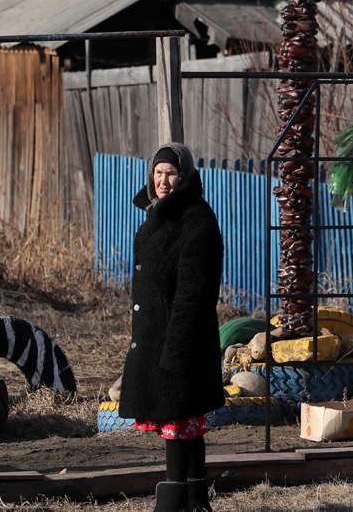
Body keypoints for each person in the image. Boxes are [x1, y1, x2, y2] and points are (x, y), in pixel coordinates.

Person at [120, 142, 225, 512]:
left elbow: (195, 296)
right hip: (157, 340)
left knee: (180, 426)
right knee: (185, 425)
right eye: (158, 173)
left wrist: (177, 351)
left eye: (171, 173)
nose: (163, 180)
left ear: (185, 176)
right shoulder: (158, 217)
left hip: (181, 341)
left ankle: (174, 505)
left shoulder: (196, 220)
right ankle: (196, 502)